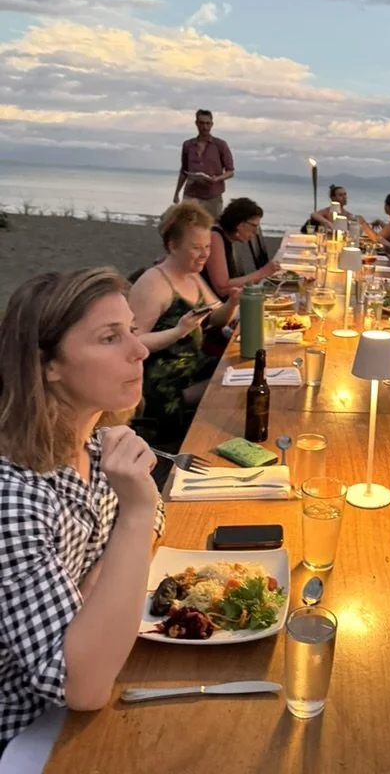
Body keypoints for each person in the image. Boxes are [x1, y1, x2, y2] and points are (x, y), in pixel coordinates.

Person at [0, 267, 165, 753]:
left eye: (132, 331)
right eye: (109, 337)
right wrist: (133, 518)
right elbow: (83, 686)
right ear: (49, 366)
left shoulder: (93, 448)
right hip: (27, 735)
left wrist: (100, 579)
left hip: (89, 692)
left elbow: (155, 520)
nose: (139, 351)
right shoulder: (13, 496)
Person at [129, 202, 239, 444]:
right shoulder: (154, 284)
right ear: (173, 245)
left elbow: (217, 317)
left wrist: (232, 303)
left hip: (192, 368)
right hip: (163, 386)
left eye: (208, 247)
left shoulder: (191, 275)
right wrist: (179, 331)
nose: (204, 255)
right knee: (228, 391)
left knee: (242, 373)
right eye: (196, 248)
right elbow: (132, 342)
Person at [203, 197, 279, 300]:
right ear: (240, 224)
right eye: (254, 226)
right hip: (217, 306)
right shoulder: (215, 237)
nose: (256, 232)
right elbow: (222, 288)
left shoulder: (230, 237)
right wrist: (263, 273)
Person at [172, 109, 234, 220]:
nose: (205, 127)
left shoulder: (220, 145)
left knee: (212, 228)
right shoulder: (188, 145)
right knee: (187, 226)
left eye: (207, 123)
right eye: (201, 123)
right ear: (196, 123)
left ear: (212, 124)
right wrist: (176, 193)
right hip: (191, 194)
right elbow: (184, 171)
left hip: (212, 196)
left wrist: (217, 178)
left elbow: (230, 171)